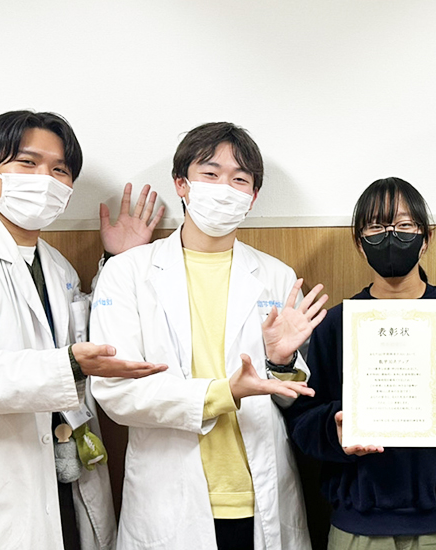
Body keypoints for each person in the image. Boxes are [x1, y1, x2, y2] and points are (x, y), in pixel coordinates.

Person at [90, 121, 324, 550]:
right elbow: (116, 392)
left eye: (239, 180)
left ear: (252, 197)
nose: (224, 189)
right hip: (170, 500)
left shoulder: (276, 275)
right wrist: (223, 393)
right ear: (182, 183)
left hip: (258, 497)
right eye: (210, 174)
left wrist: (283, 363)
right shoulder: (127, 273)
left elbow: (293, 397)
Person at [0, 110, 167, 550]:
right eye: (27, 163)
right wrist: (67, 364)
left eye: (59, 170)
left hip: (64, 471)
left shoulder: (58, 267)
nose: (45, 180)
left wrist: (118, 261)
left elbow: (87, 334)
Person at [286, 177, 436, 550]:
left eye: (405, 225)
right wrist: (335, 429)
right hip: (359, 528)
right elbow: (302, 422)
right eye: (376, 228)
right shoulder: (336, 324)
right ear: (359, 243)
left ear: (426, 238)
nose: (391, 236)